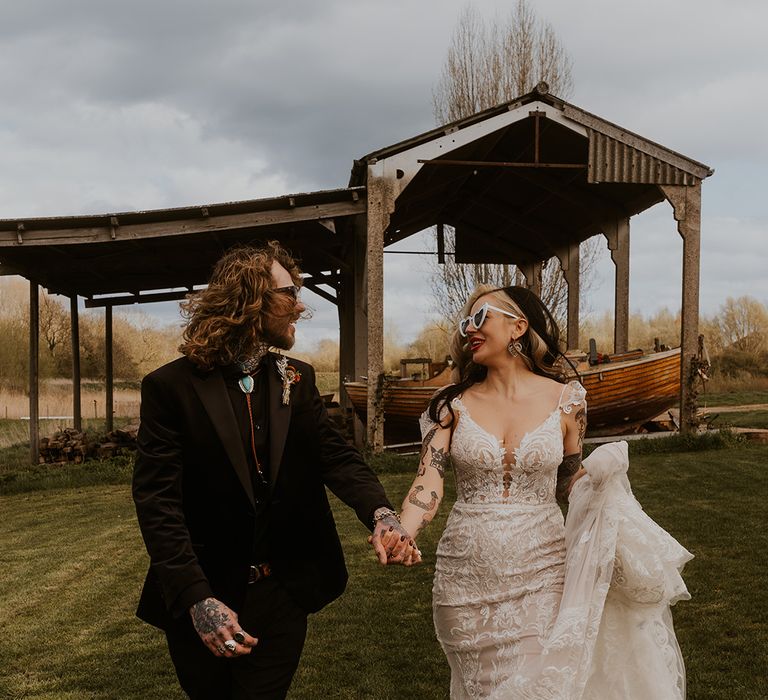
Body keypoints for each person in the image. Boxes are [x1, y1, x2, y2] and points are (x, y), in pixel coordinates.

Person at [132, 241, 417, 700]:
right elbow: (157, 501)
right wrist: (197, 600)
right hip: (205, 594)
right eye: (289, 293)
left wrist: (382, 514)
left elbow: (336, 457)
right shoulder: (170, 388)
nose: (301, 305)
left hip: (283, 592)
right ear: (248, 301)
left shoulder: (297, 379)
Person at [382, 285, 692, 699]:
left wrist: (601, 488)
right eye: (465, 322)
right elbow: (428, 481)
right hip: (464, 581)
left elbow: (568, 481)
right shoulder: (450, 405)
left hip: (542, 573)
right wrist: (404, 531)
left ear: (518, 327)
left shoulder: (567, 401)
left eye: (481, 318)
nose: (468, 330)